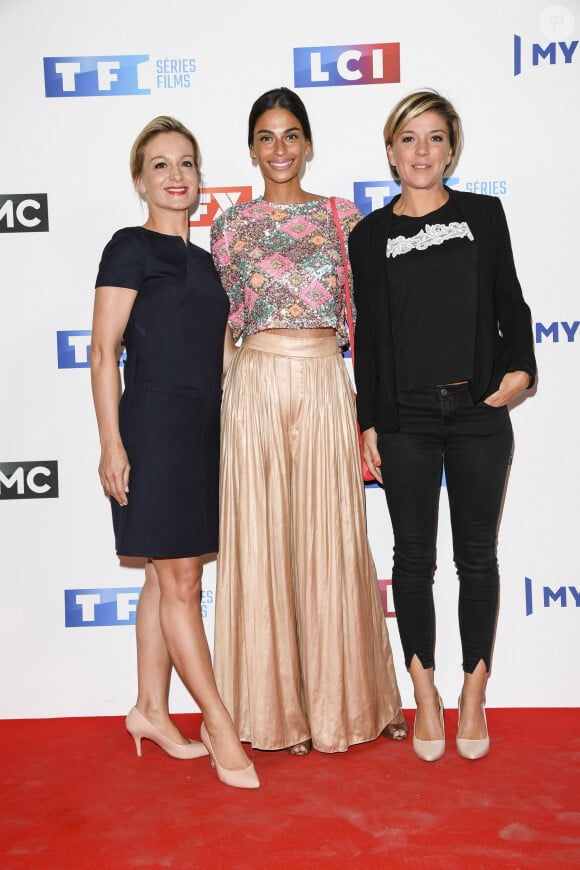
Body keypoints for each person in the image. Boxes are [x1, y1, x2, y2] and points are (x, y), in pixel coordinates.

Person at [210, 86, 407, 755]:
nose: (279, 149)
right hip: (256, 385)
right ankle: (274, 713)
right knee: (263, 543)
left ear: (309, 142)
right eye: (266, 136)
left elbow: (368, 324)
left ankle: (350, 701)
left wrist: (371, 412)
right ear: (252, 148)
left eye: (290, 134)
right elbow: (224, 326)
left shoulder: (343, 218)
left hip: (326, 378)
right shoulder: (230, 227)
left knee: (332, 540)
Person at [348, 89, 536, 762]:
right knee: (413, 559)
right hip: (406, 419)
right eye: (408, 139)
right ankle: (423, 692)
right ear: (390, 152)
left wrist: (520, 372)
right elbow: (366, 338)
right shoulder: (368, 236)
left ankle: (474, 692)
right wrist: (369, 419)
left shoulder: (484, 215)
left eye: (433, 138)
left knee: (478, 557)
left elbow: (510, 301)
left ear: (451, 149)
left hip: (478, 411)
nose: (421, 151)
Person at [90, 115, 259, 788]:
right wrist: (111, 442)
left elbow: (221, 356)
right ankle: (218, 721)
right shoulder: (129, 247)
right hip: (153, 427)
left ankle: (151, 710)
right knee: (183, 580)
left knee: (164, 577)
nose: (176, 175)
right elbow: (104, 352)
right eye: (160, 165)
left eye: (186, 163)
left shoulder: (206, 260)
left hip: (203, 427)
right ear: (140, 180)